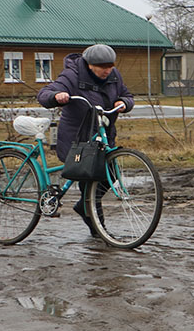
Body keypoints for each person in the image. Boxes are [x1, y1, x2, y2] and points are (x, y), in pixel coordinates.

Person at [38, 43, 134, 236]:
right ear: (90, 65)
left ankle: (84, 205)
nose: (108, 70)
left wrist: (124, 102)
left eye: (110, 65)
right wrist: (57, 96)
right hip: (78, 140)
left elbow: (126, 95)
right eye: (103, 66)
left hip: (102, 135)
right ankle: (99, 231)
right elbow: (44, 94)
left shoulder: (114, 76)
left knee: (111, 173)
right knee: (91, 180)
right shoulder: (72, 75)